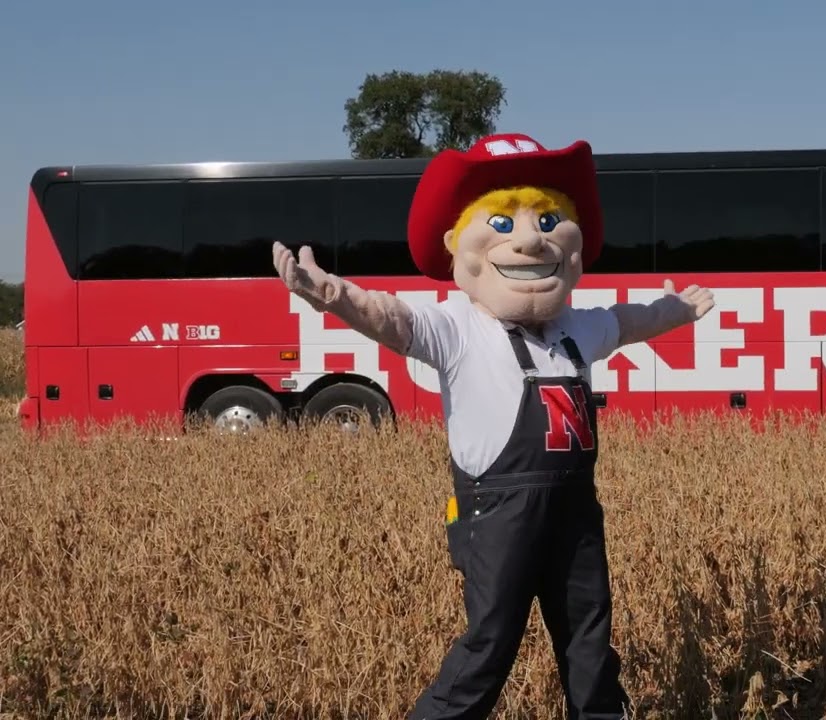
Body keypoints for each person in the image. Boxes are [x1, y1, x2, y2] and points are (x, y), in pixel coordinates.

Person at [271, 132, 715, 719]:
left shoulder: (576, 328)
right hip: (497, 512)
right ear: (462, 245)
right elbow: (391, 318)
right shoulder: (457, 327)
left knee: (589, 641)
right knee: (490, 644)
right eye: (504, 225)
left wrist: (676, 310)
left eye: (548, 220)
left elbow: (626, 320)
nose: (532, 239)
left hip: (577, 510)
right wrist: (334, 295)